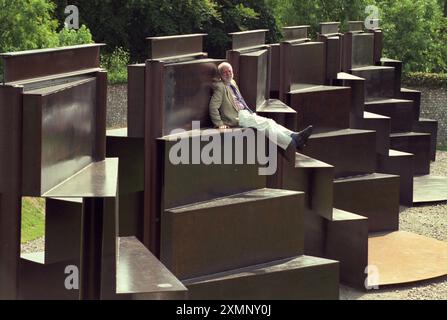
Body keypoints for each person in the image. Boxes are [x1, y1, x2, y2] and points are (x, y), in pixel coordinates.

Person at [209, 62, 313, 151]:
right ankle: (292, 144)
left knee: (270, 122)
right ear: (220, 75)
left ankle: (294, 136)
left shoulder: (232, 82)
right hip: (237, 117)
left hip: (245, 113)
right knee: (266, 124)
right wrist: (219, 124)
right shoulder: (220, 87)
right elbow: (213, 107)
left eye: (229, 71)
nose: (228, 74)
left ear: (233, 72)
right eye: (224, 72)